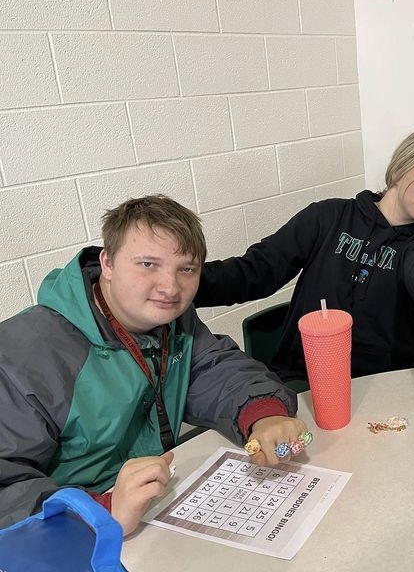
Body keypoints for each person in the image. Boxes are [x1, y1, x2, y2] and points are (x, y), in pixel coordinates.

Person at [0, 195, 307, 534]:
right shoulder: (24, 352)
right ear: (108, 263)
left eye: (186, 269)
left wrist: (264, 414)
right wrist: (98, 512)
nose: (170, 287)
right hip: (70, 533)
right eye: (148, 264)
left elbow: (215, 369)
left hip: (155, 504)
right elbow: (7, 484)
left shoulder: (169, 320)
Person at [194, 126, 414, 387]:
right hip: (305, 376)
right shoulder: (328, 217)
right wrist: (186, 282)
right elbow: (256, 271)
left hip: (383, 383)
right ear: (397, 171)